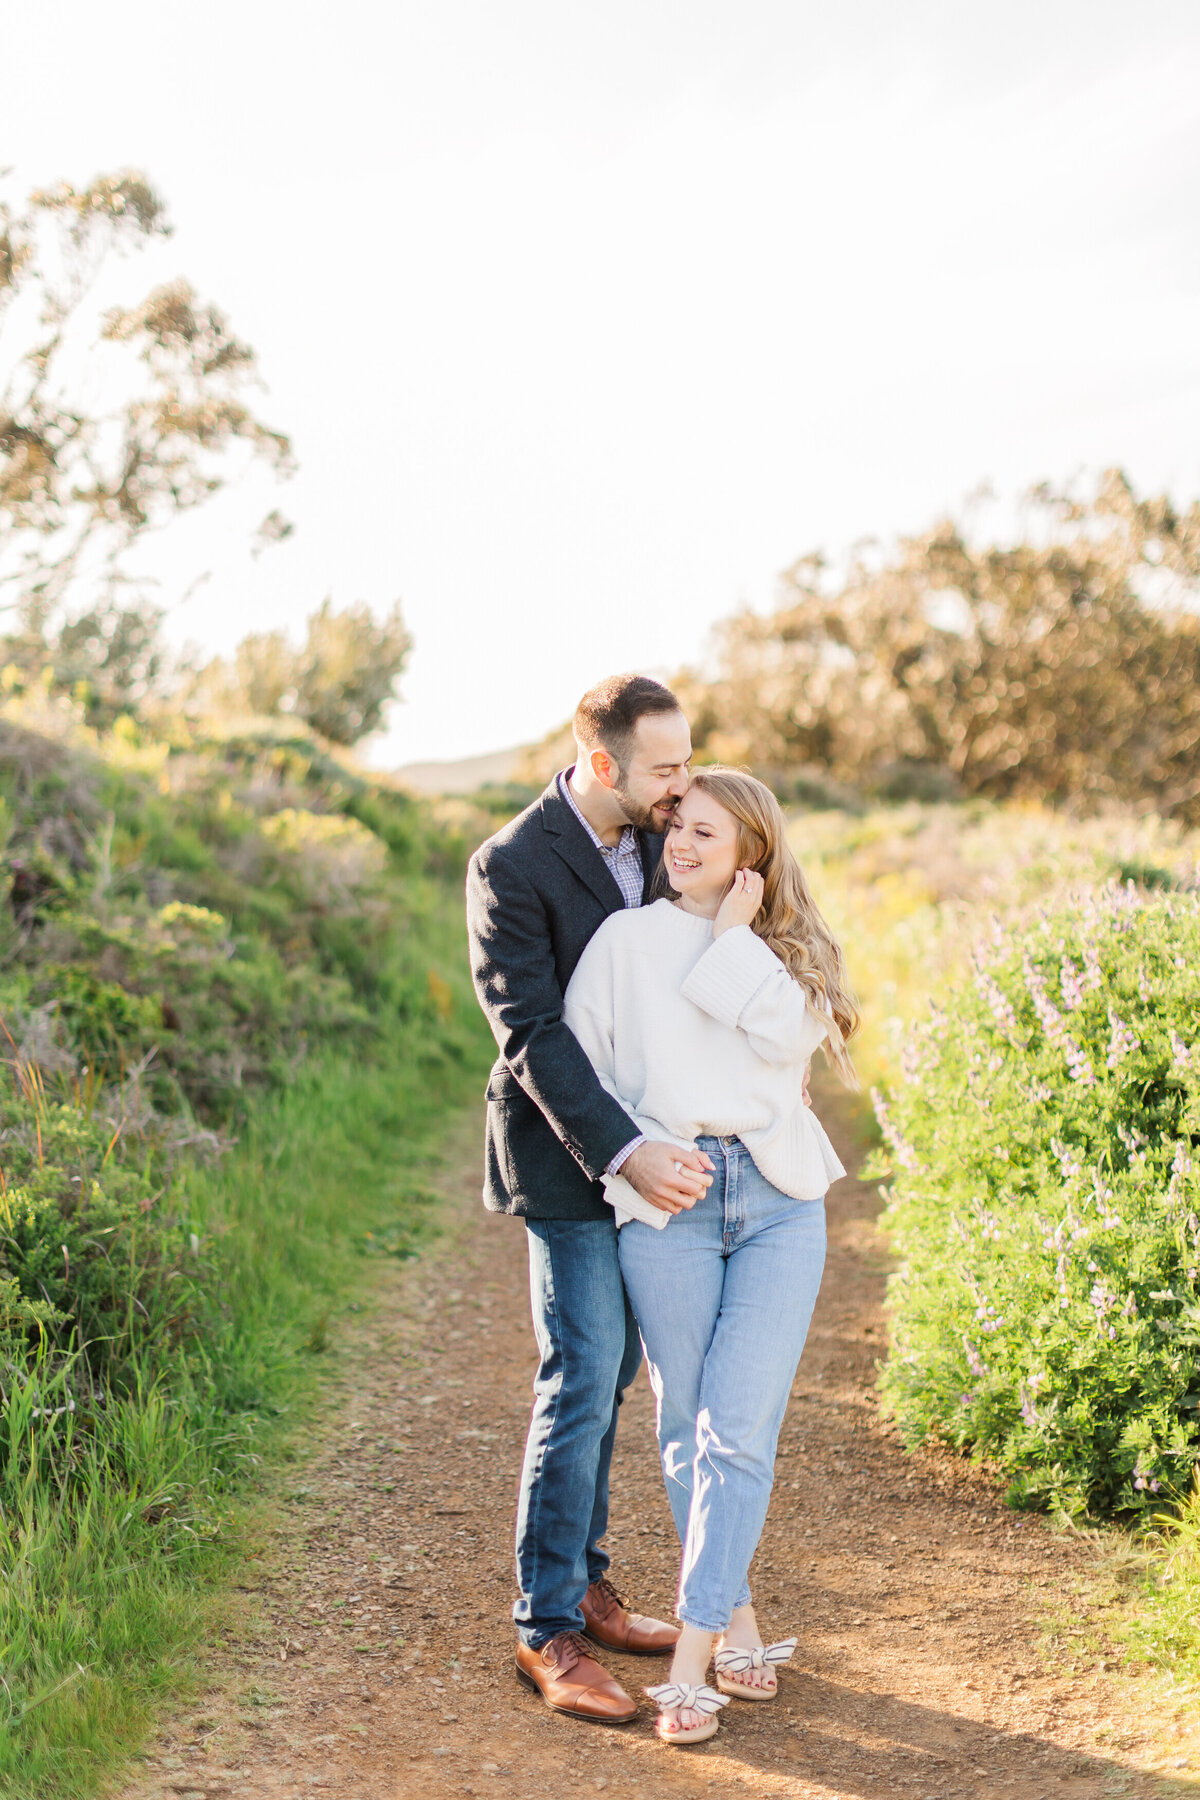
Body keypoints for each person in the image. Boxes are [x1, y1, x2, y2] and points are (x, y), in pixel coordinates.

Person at [562, 766, 859, 1746]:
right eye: (677, 827)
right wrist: (633, 1167)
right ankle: (737, 1621)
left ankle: (689, 1673)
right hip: (673, 1202)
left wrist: (733, 943)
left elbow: (782, 1040)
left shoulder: (783, 955)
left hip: (777, 1201)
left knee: (737, 1428)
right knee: (687, 1424)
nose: (683, 846)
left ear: (751, 864)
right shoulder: (623, 943)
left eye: (709, 836)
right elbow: (587, 1079)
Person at [465, 674, 717, 1724]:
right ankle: (546, 1627)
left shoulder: (667, 840)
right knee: (580, 1371)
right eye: (665, 768)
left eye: (688, 761)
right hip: (568, 1155)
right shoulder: (510, 865)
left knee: (616, 1363)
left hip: (657, 1141)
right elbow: (531, 1034)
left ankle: (590, 1583)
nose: (683, 785)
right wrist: (625, 1152)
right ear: (602, 763)